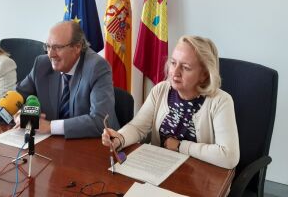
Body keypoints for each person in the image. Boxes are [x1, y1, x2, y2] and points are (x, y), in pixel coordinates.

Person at [102, 35, 240, 169]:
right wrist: (119, 138)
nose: (175, 72)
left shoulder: (221, 101)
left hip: (201, 178)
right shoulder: (161, 90)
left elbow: (229, 156)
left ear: (204, 75)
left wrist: (181, 146)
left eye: (186, 67)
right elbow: (138, 127)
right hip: (159, 170)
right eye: (173, 63)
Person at [15, 21, 119, 139]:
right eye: (48, 46)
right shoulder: (42, 64)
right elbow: (18, 96)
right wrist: (21, 114)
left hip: (95, 144)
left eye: (57, 47)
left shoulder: (97, 67)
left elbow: (101, 121)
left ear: (77, 47)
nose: (51, 54)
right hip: (51, 144)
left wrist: (50, 126)